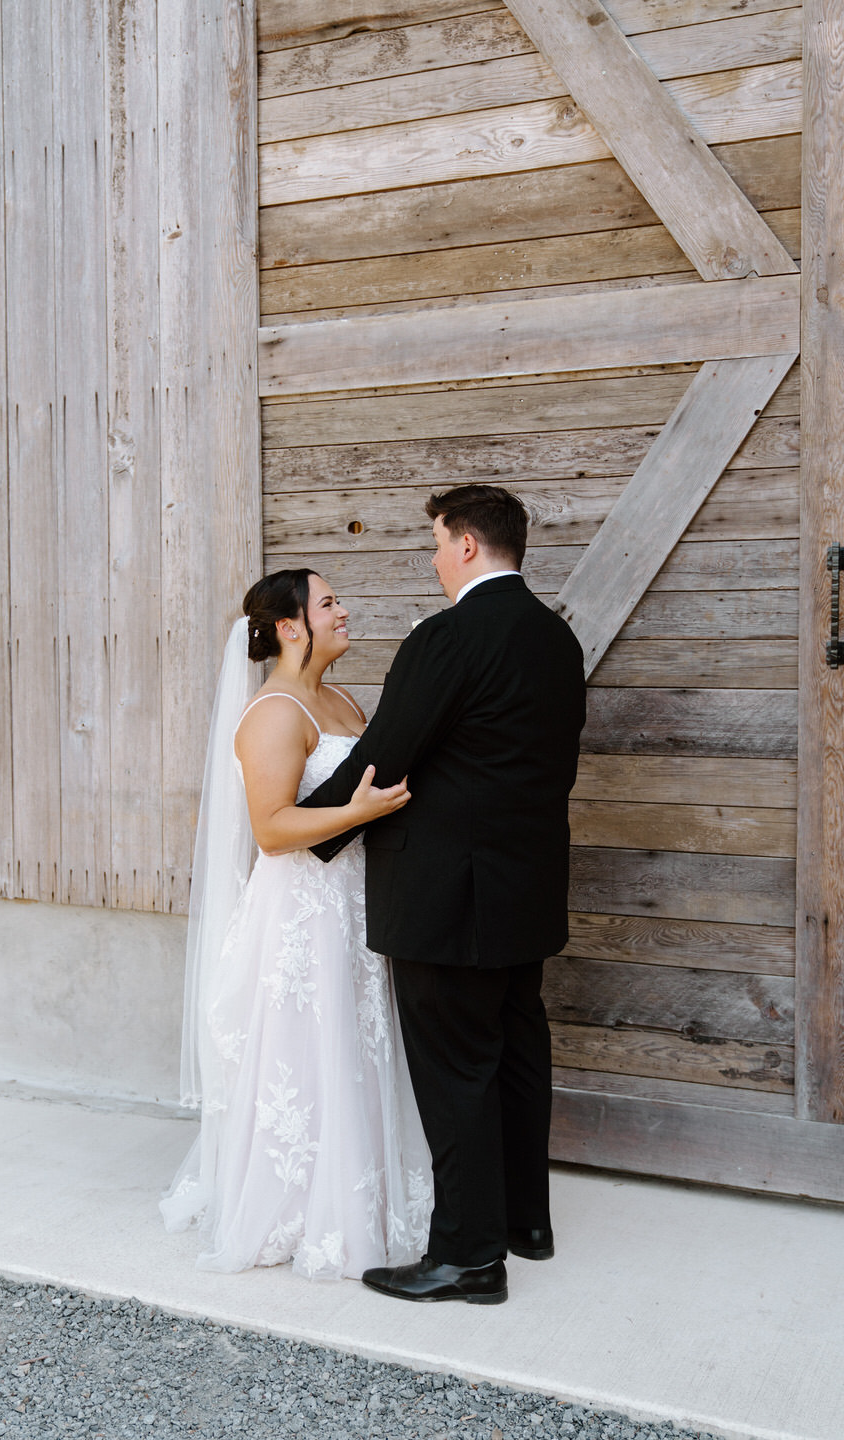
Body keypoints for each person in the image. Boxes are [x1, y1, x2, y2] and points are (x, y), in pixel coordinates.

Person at [300, 484, 586, 1305]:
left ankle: (467, 1257)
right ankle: (526, 1223)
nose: (432, 560)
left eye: (435, 542)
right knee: (518, 1049)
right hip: (526, 886)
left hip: (446, 892)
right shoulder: (554, 639)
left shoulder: (448, 636)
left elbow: (387, 755)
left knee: (458, 1067)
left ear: (465, 544)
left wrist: (303, 830)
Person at [161, 569, 432, 1280]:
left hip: (351, 902)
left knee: (355, 1042)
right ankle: (297, 1208)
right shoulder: (275, 712)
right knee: (306, 1051)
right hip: (301, 913)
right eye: (329, 603)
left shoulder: (338, 698)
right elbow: (273, 829)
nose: (345, 611)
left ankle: (360, 1195)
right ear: (290, 627)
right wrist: (358, 815)